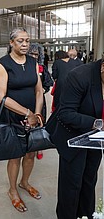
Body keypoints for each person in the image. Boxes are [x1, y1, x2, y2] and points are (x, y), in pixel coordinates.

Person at [0, 28, 44, 212]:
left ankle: (24, 182)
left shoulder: (32, 62)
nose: (25, 44)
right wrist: (27, 114)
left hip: (32, 117)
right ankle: (13, 190)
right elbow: (1, 97)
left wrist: (37, 115)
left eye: (27, 41)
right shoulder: (3, 64)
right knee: (16, 155)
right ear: (12, 43)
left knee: (31, 153)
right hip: (13, 116)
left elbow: (39, 90)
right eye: (21, 41)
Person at [47, 58, 104, 219]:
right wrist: (98, 123)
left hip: (95, 139)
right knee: (72, 184)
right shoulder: (79, 76)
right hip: (72, 136)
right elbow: (65, 114)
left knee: (89, 180)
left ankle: (86, 215)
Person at [28, 42, 53, 159]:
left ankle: (40, 147)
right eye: (32, 54)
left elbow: (49, 82)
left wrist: (43, 89)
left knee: (40, 121)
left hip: (39, 100)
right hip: (26, 100)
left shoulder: (42, 68)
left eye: (36, 54)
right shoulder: (23, 67)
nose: (34, 56)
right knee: (27, 122)